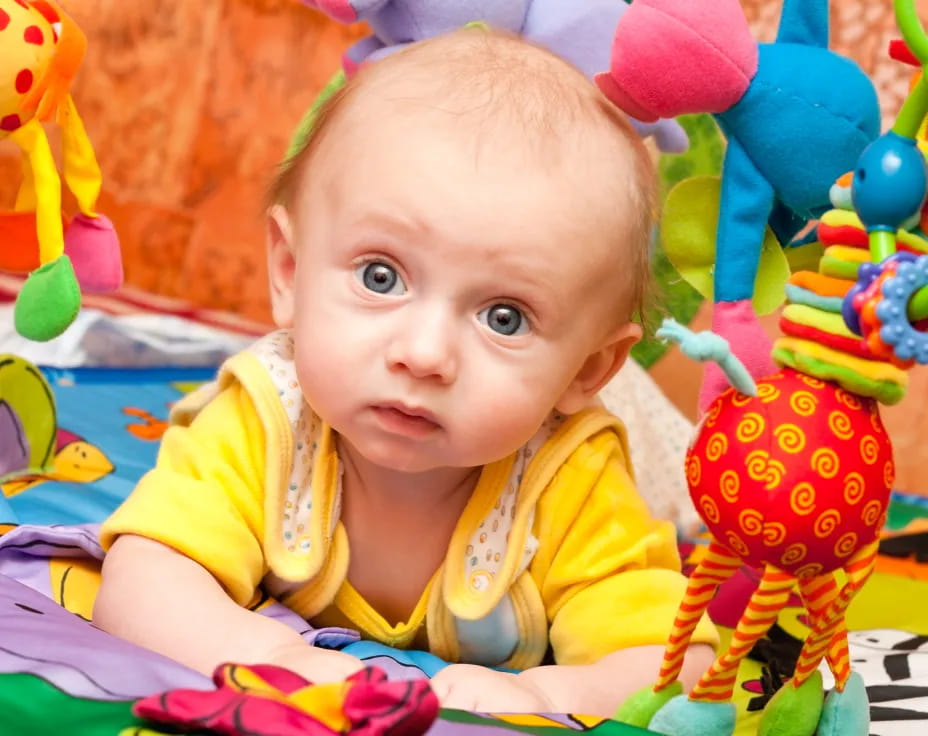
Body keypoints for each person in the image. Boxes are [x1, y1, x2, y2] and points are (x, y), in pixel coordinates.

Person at [93, 27, 717, 716]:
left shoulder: (570, 484)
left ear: (586, 367)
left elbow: (675, 667)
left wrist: (541, 691)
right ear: (290, 271)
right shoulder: (268, 422)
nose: (423, 354)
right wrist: (272, 658)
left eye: (504, 317)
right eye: (381, 276)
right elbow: (141, 577)